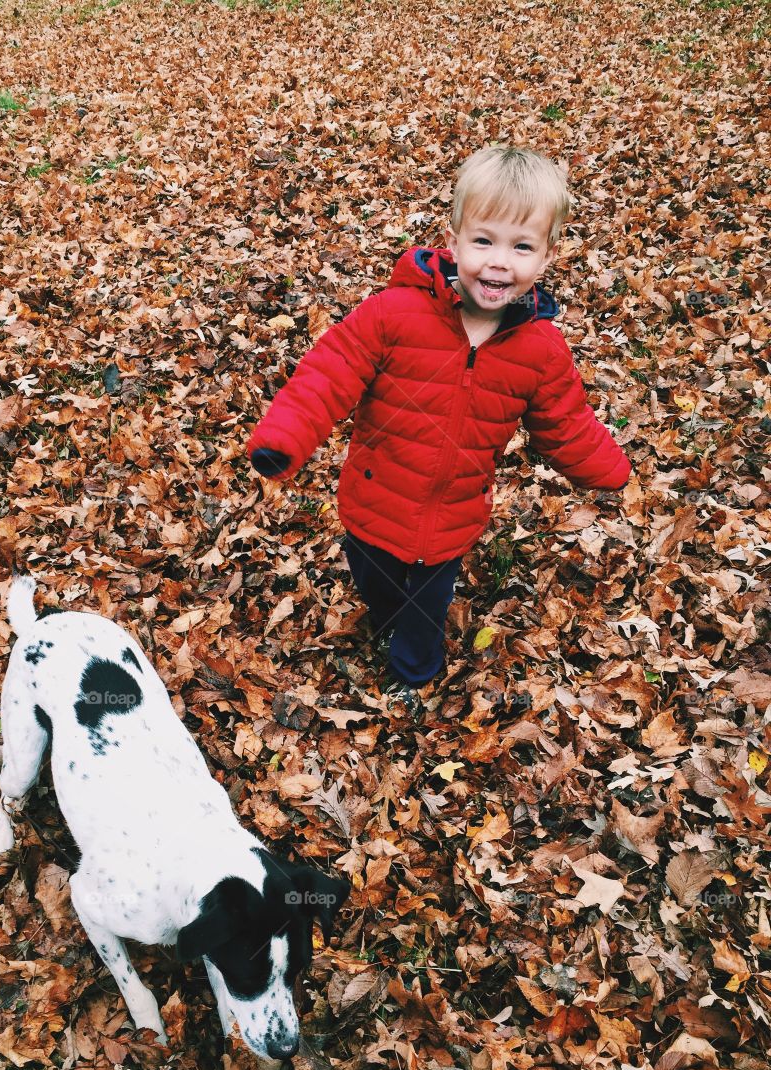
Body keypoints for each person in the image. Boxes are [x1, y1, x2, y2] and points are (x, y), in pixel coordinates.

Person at [247, 145, 632, 699]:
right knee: (378, 586)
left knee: (424, 610)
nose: (500, 261)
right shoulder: (393, 314)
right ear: (453, 243)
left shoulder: (540, 350)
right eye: (484, 241)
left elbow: (565, 422)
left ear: (545, 258)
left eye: (522, 247)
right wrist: (284, 438)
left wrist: (611, 470)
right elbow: (327, 375)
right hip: (373, 501)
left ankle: (414, 675)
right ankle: (385, 620)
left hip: (451, 519)